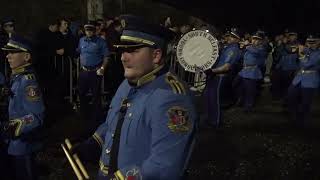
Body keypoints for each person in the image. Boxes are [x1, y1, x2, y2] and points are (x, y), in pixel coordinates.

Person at [71, 15, 197, 180]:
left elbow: (165, 165)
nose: (123, 57)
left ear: (156, 55)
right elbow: (114, 122)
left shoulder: (172, 97)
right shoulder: (127, 83)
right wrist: (94, 143)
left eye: (132, 50)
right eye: (122, 50)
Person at [0, 35, 45, 180]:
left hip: (24, 146)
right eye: (7, 52)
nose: (8, 56)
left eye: (12, 52)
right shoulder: (17, 77)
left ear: (26, 56)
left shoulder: (28, 82)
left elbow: (37, 117)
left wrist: (13, 126)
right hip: (13, 144)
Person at [205, 27, 241, 127]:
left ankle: (215, 121)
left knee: (215, 100)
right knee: (209, 97)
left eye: (233, 37)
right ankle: (210, 118)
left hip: (220, 76)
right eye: (230, 36)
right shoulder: (227, 47)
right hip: (215, 75)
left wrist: (212, 71)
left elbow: (226, 66)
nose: (229, 38)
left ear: (237, 40)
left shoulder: (234, 50)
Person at [77, 20, 110, 125]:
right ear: (85, 30)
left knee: (96, 96)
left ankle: (96, 119)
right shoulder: (81, 40)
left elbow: (106, 56)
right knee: (81, 94)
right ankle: (84, 116)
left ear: (94, 31)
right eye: (87, 30)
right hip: (83, 71)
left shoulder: (101, 42)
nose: (89, 32)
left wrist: (103, 68)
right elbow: (79, 52)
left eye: (91, 30)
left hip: (95, 72)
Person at [287, 34, 320, 128]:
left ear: (318, 42)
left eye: (313, 42)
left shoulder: (318, 53)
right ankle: (295, 116)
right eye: (309, 42)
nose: (311, 44)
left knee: (306, 103)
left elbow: (307, 64)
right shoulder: (307, 50)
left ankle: (302, 121)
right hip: (299, 78)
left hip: (311, 79)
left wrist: (300, 54)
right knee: (290, 96)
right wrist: (296, 47)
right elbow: (290, 49)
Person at [233, 31, 268, 112]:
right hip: (244, 70)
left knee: (250, 91)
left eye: (257, 39)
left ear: (260, 41)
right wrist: (242, 48)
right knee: (235, 84)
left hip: (252, 72)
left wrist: (247, 45)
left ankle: (248, 107)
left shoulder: (261, 48)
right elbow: (243, 56)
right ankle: (241, 99)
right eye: (253, 39)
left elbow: (256, 52)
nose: (254, 41)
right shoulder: (250, 47)